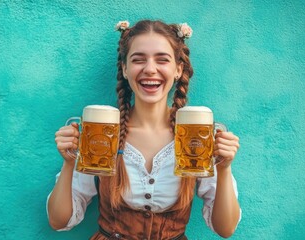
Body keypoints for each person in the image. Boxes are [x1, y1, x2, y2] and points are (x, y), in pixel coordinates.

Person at [47, 19, 241, 240]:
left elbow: (226, 229)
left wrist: (224, 169)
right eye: (138, 60)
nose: (150, 69)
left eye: (162, 60)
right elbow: (58, 221)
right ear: (125, 69)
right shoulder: (101, 134)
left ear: (178, 69)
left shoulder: (196, 135)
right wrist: (69, 162)